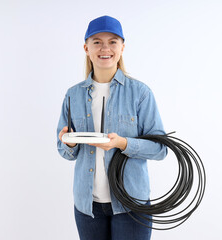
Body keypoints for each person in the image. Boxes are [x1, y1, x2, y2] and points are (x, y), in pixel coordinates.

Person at [56, 15, 168, 240]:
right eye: (97, 42)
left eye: (113, 41)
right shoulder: (73, 95)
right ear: (86, 48)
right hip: (88, 207)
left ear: (122, 47)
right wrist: (68, 143)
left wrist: (123, 143)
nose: (104, 48)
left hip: (131, 204)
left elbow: (160, 149)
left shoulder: (140, 93)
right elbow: (65, 151)